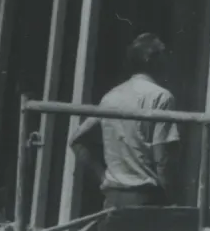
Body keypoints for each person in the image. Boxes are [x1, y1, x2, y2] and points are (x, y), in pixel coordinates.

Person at [70, 33, 180, 211]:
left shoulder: (112, 96)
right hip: (145, 200)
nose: (168, 61)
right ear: (151, 59)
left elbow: (76, 140)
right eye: (164, 54)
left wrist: (104, 177)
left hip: (112, 199)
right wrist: (170, 198)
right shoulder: (161, 97)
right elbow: (162, 159)